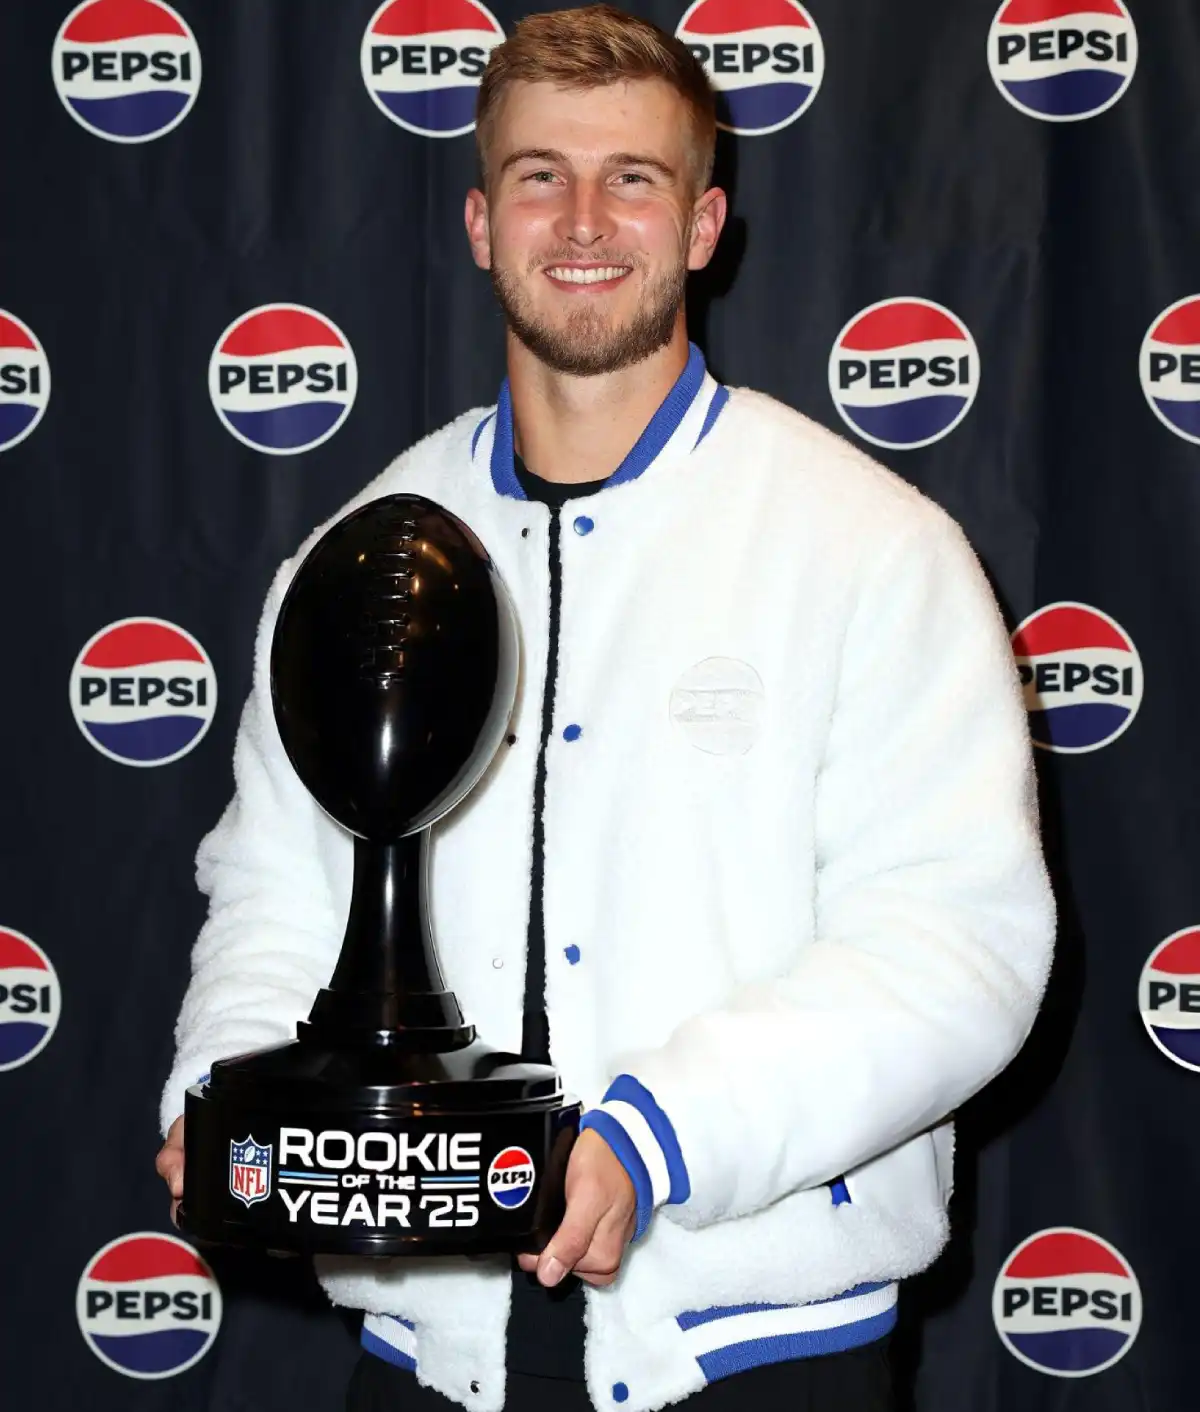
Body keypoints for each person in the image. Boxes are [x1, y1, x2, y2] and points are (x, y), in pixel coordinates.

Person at [155, 7, 1056, 1412]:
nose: (583, 219)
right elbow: (276, 894)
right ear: (479, 222)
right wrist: (230, 1099)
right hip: (433, 1356)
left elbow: (956, 944)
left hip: (763, 1352)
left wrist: (659, 1138)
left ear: (703, 226)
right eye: (539, 176)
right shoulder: (360, 555)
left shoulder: (870, 548)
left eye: (632, 177)